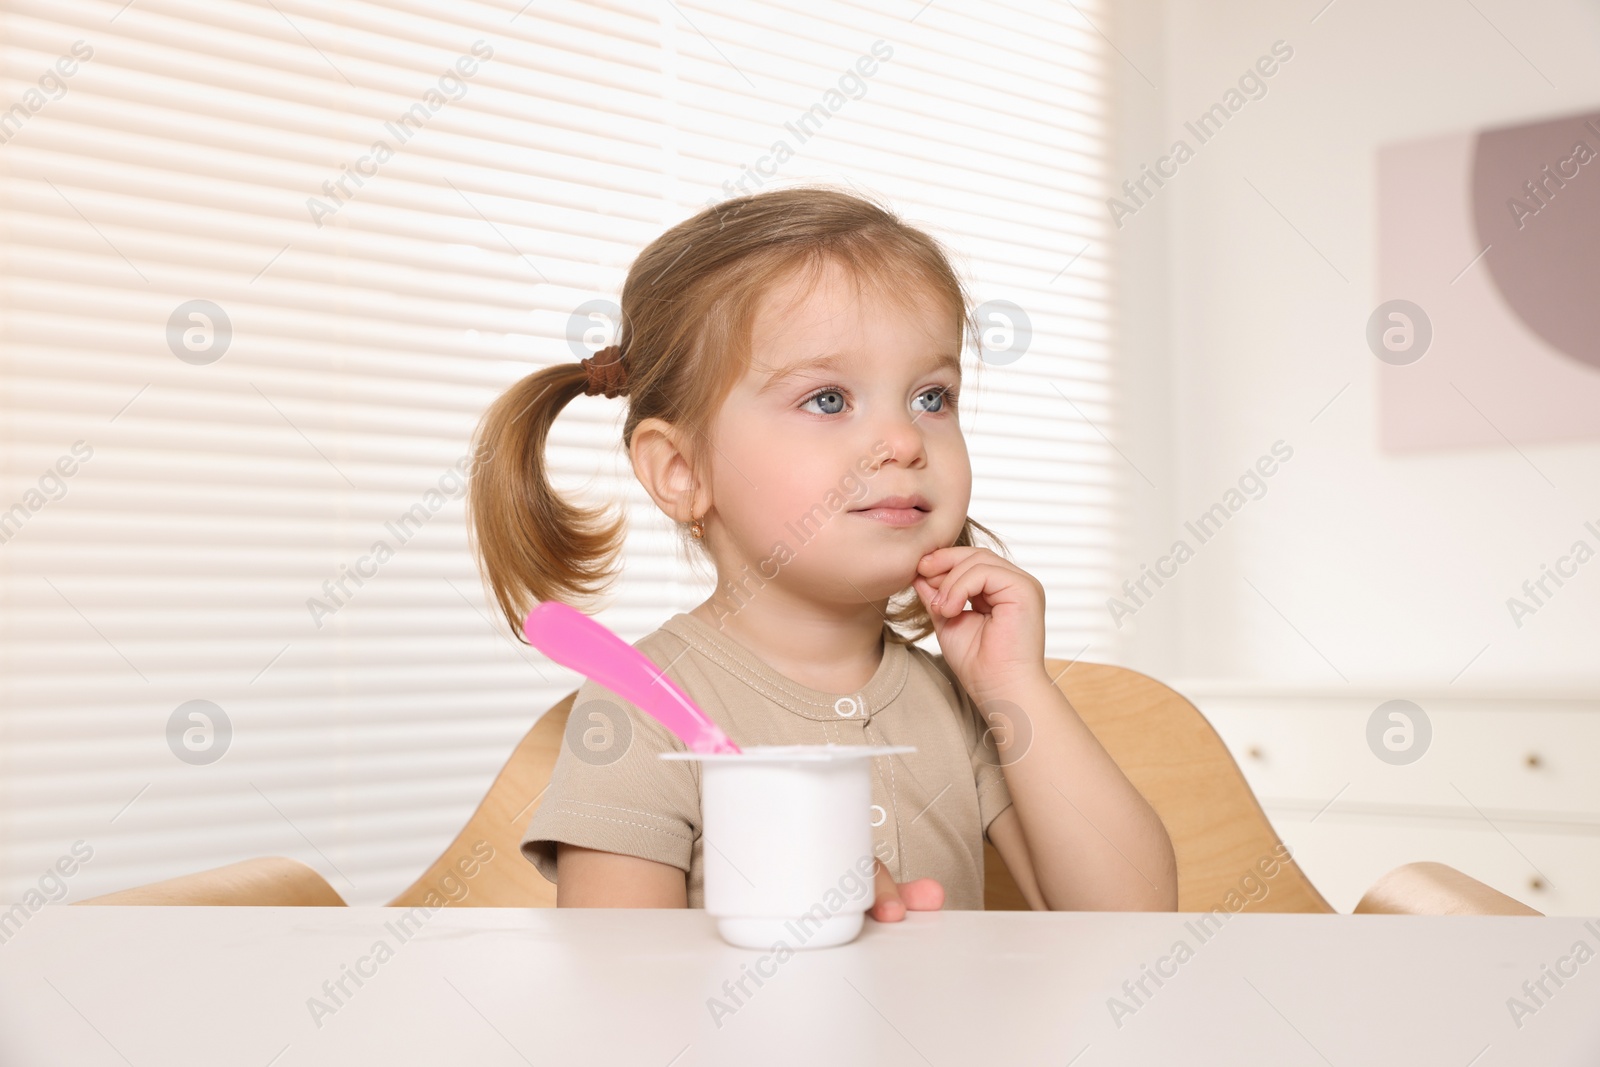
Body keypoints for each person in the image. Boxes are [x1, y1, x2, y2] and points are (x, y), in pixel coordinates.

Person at [468, 185, 1177, 921]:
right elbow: (619, 998)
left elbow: (1135, 923)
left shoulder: (960, 703)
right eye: (830, 400)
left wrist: (1014, 687)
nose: (904, 441)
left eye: (931, 397)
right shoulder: (638, 710)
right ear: (682, 472)